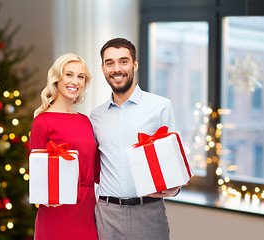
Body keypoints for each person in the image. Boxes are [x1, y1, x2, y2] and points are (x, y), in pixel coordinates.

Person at [90, 37, 183, 240]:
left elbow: (175, 161)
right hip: (107, 215)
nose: (117, 68)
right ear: (103, 68)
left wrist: (174, 188)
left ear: (135, 64)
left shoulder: (160, 107)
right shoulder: (95, 117)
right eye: (110, 63)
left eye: (123, 61)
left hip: (148, 213)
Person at [29, 53, 98, 240]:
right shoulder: (42, 122)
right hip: (56, 211)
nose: (75, 81)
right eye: (69, 74)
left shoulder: (85, 121)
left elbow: (97, 169)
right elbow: (37, 173)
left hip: (88, 211)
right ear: (57, 78)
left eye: (80, 76)